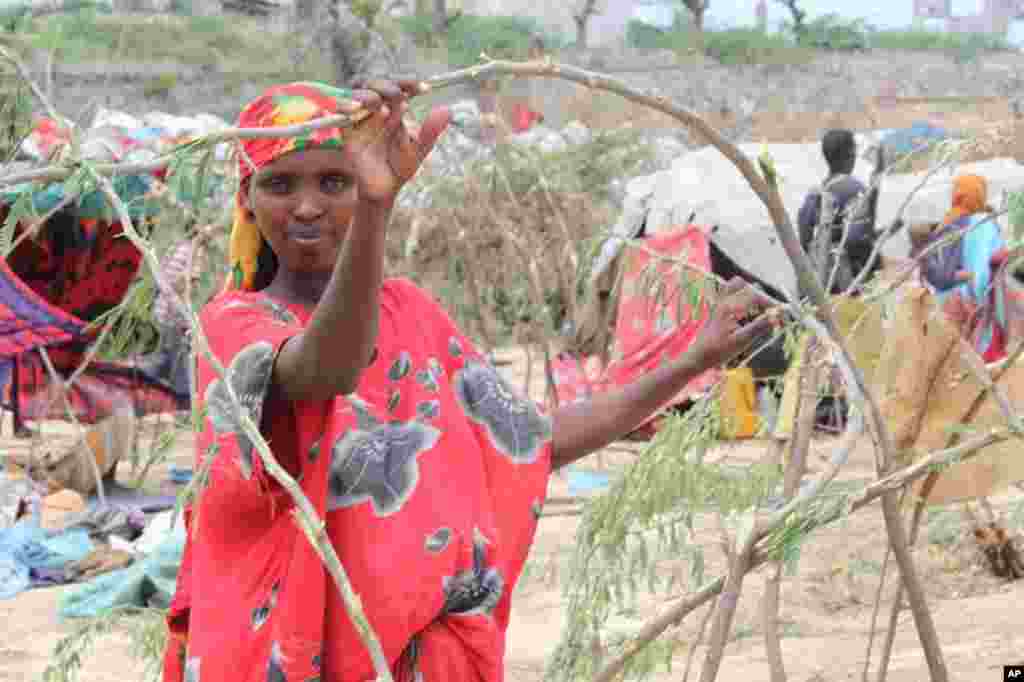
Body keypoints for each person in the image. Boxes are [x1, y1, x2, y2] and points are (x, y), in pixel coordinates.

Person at [160, 80, 775, 682]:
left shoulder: (412, 316)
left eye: (334, 181)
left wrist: (693, 360)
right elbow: (327, 371)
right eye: (279, 184)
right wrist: (376, 205)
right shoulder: (234, 327)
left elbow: (531, 441)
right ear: (246, 199)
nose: (308, 205)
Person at [918, 173, 1008, 362]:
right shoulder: (983, 223)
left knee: (954, 362)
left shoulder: (945, 223)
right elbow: (983, 270)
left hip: (945, 305)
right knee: (981, 361)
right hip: (973, 304)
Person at [797, 128, 881, 294]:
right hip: (847, 285)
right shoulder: (855, 189)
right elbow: (857, 240)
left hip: (817, 283)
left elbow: (804, 238)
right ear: (850, 154)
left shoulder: (815, 193)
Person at [148, 223, 217, 398]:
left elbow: (162, 278)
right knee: (179, 358)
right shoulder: (195, 252)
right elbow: (184, 282)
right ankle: (183, 398)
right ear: (197, 229)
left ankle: (149, 385)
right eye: (208, 228)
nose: (211, 233)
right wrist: (185, 310)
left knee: (165, 356)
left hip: (163, 309)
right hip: (174, 313)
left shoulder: (178, 247)